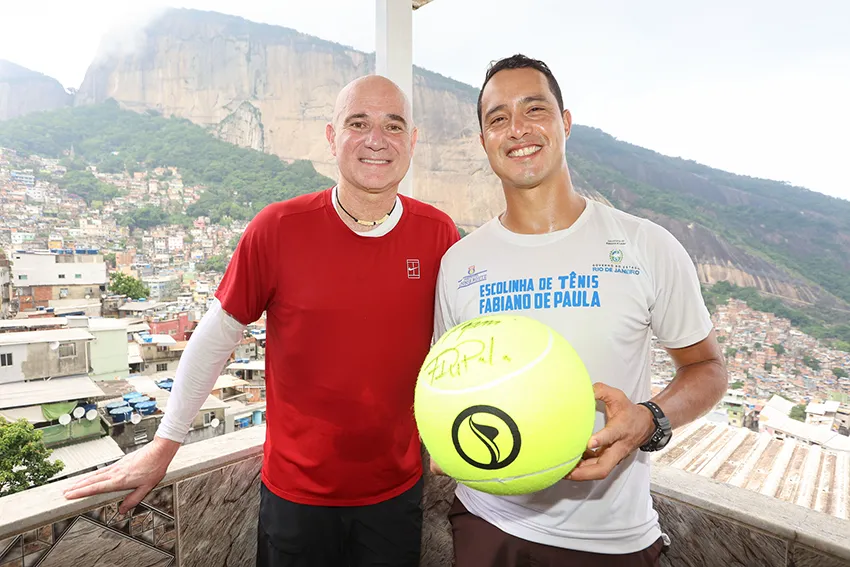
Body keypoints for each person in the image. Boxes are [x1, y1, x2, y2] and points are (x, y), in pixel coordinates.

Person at [64, 74, 460, 567]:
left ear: (412, 140)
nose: (376, 139)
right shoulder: (278, 228)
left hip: (396, 496)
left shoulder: (437, 233)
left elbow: (455, 350)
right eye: (358, 123)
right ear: (332, 135)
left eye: (393, 125)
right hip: (296, 500)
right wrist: (164, 445)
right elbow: (215, 338)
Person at [429, 54, 728, 566]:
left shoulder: (645, 245)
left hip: (611, 539)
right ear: (483, 140)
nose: (517, 128)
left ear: (565, 123)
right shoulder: (459, 263)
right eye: (498, 118)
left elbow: (706, 367)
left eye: (535, 109)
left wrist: (649, 419)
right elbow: (448, 383)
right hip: (486, 521)